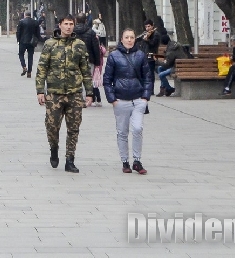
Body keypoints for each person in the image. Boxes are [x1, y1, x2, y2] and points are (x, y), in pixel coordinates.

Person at [35, 14, 93, 173]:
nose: (69, 27)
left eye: (71, 24)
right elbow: (42, 69)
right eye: (66, 23)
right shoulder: (50, 44)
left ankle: (70, 159)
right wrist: (40, 90)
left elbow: (85, 70)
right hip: (54, 94)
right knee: (52, 126)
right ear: (60, 25)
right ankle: (54, 149)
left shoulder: (79, 45)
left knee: (74, 128)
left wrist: (89, 92)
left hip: (74, 93)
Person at [103, 28, 153, 175]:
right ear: (122, 39)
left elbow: (147, 78)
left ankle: (137, 160)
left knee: (137, 129)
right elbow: (107, 80)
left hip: (138, 99)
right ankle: (125, 161)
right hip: (121, 100)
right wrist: (112, 99)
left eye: (132, 37)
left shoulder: (140, 55)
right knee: (122, 132)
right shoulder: (114, 56)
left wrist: (145, 97)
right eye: (127, 37)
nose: (130, 40)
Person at [74, 14, 102, 105]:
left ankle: (79, 97)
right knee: (88, 79)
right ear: (86, 21)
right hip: (89, 59)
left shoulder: (72, 32)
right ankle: (88, 98)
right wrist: (97, 61)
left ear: (76, 20)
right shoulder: (91, 32)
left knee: (76, 78)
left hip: (75, 59)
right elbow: (96, 48)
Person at [16, 11, 40, 78]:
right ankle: (29, 72)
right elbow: (38, 33)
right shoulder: (35, 22)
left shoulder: (21, 22)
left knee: (21, 54)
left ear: (25, 15)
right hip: (31, 42)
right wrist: (38, 40)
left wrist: (18, 40)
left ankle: (24, 66)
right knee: (30, 57)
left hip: (23, 41)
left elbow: (18, 32)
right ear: (30, 15)